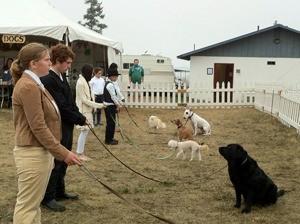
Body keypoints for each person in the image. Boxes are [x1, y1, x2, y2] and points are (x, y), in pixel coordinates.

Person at [11, 42, 81, 224]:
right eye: (47, 60)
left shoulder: (35, 83)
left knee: (32, 207)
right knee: (27, 207)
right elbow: (38, 126)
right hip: (32, 153)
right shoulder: (28, 86)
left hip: (39, 151)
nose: (50, 63)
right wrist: (62, 152)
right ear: (33, 63)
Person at [40, 43, 87, 212]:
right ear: (58, 61)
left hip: (67, 125)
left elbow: (70, 102)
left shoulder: (61, 77)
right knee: (57, 160)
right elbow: (61, 106)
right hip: (57, 125)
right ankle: (48, 196)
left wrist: (81, 117)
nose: (69, 66)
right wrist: (79, 119)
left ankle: (60, 191)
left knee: (65, 159)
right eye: (67, 63)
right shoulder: (48, 79)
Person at [76, 64, 104, 161]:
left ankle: (81, 152)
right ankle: (79, 153)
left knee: (85, 131)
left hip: (88, 109)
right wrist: (99, 105)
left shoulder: (86, 82)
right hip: (83, 110)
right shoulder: (80, 83)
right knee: (84, 131)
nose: (92, 75)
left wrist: (94, 106)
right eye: (91, 73)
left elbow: (91, 94)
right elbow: (84, 100)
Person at [103, 69, 123, 145]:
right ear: (112, 77)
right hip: (110, 106)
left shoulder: (108, 83)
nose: (116, 78)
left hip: (109, 105)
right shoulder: (110, 85)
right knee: (111, 123)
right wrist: (117, 105)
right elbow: (113, 96)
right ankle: (108, 140)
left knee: (111, 123)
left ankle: (110, 138)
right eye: (116, 76)